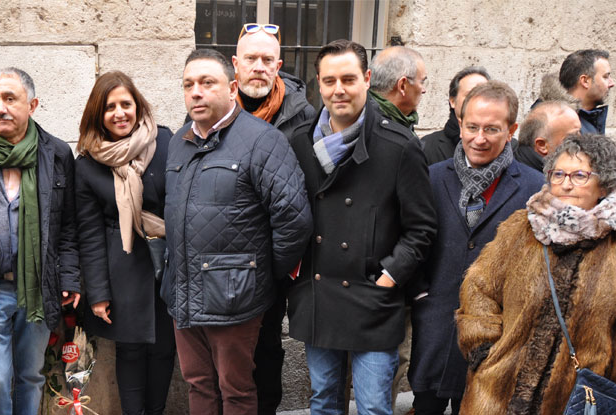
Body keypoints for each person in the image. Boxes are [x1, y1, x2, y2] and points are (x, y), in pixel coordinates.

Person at [286, 39, 436, 415]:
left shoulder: (399, 145)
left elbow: (421, 228)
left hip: (372, 300)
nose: (339, 90)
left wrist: (389, 276)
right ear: (318, 84)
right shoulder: (300, 142)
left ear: (367, 79)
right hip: (320, 296)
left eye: (349, 79)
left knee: (373, 408)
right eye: (329, 81)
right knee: (324, 402)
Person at [165, 48, 311, 415]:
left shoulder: (262, 140)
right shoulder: (178, 143)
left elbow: (294, 220)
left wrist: (258, 274)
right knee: (198, 385)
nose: (196, 92)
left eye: (207, 83)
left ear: (231, 88)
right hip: (184, 294)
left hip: (234, 300)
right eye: (188, 85)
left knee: (237, 390)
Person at [456, 134, 616, 415]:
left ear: (604, 184)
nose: (566, 184)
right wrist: (483, 348)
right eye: (559, 174)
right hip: (497, 391)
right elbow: (479, 288)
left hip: (577, 398)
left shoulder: (614, 244)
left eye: (579, 175)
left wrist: (609, 374)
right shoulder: (521, 228)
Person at [408, 81, 545, 415]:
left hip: (494, 340)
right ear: (460, 124)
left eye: (491, 129)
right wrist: (419, 293)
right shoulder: (431, 177)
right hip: (436, 328)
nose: (479, 139)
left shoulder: (534, 187)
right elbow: (409, 236)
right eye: (472, 127)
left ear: (511, 130)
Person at [0, 67, 81, 415]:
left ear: (32, 105)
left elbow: (68, 226)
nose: (0, 108)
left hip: (38, 288)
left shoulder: (56, 153)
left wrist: (69, 278)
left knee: (31, 376)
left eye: (10, 99)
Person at [74, 71, 175, 415]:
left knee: (164, 349)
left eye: (125, 104)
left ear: (138, 106)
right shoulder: (88, 164)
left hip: (167, 264)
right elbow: (88, 233)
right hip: (122, 269)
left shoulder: (165, 142)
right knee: (130, 351)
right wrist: (98, 293)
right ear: (98, 114)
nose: (119, 113)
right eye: (110, 107)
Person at [231, 23, 315, 414]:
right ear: (235, 64)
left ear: (279, 66)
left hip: (274, 260)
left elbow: (307, 192)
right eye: (251, 58)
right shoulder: (215, 109)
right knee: (225, 353)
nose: (259, 67)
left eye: (268, 60)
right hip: (225, 255)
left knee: (266, 347)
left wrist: (279, 263)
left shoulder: (303, 116)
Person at [422, 66, 490, 165]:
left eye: (484, 95)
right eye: (470, 95)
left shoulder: (507, 148)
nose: (478, 101)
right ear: (453, 101)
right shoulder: (427, 147)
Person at [368, 46, 427, 138]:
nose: (424, 90)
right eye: (422, 82)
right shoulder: (383, 134)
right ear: (402, 86)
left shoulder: (363, 116)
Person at [514, 100, 582, 172]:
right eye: (572, 138)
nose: (581, 142)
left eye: (580, 132)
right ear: (542, 145)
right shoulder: (535, 178)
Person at [559, 49, 614, 134]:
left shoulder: (587, 120)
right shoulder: (558, 122)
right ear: (585, 81)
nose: (612, 83)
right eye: (605, 77)